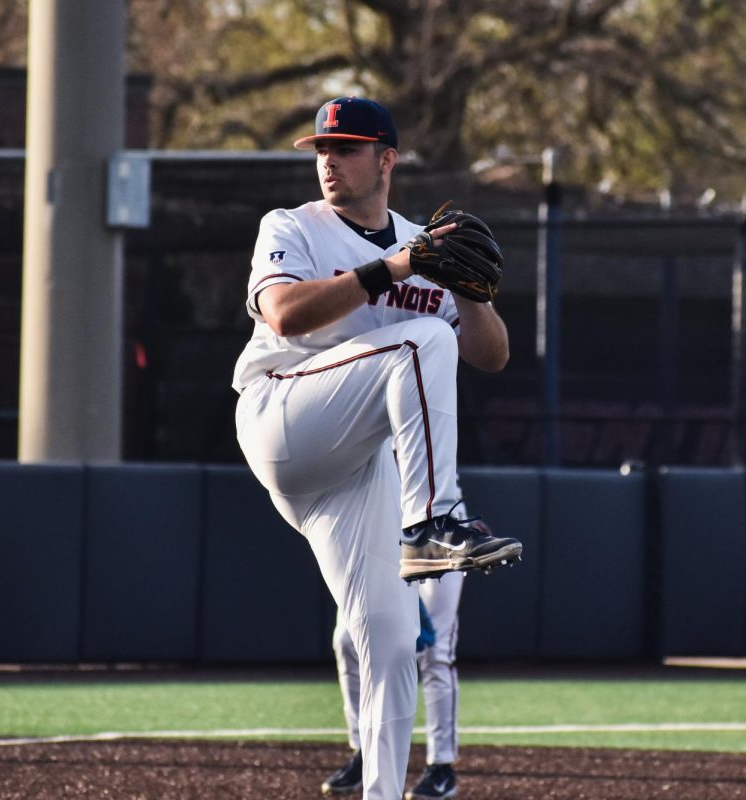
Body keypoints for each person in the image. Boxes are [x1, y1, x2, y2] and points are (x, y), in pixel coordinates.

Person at [231, 96, 521, 800]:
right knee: (419, 340)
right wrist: (394, 269)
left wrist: (472, 295)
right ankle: (431, 524)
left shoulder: (422, 245)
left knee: (391, 643)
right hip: (282, 415)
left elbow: (493, 356)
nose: (328, 159)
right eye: (321, 148)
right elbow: (285, 315)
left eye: (347, 147)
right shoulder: (294, 226)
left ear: (386, 160)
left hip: (355, 469)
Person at [323, 513, 475, 800]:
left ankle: (441, 766)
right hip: (381, 525)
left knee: (436, 651)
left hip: (440, 523)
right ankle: (363, 751)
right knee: (346, 640)